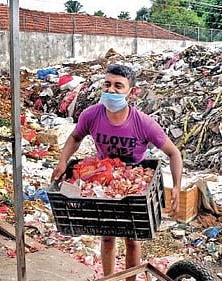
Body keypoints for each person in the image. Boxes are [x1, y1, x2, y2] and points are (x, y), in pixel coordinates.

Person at [51, 64, 183, 280]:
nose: (111, 90)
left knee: (132, 240)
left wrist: (177, 186)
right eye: (107, 84)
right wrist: (62, 161)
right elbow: (75, 138)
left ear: (131, 93)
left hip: (134, 184)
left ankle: (131, 279)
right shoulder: (91, 115)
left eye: (118, 86)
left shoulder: (143, 123)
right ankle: (109, 278)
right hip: (104, 181)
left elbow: (174, 153)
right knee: (107, 236)